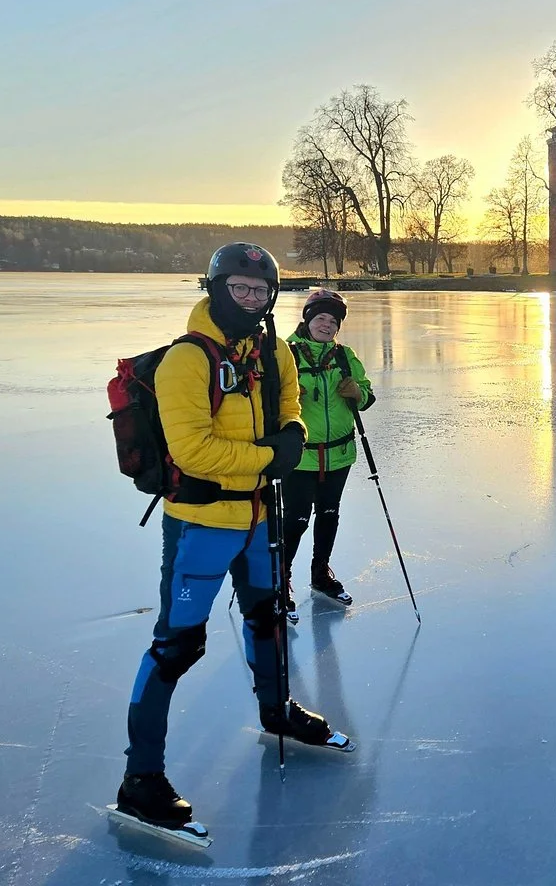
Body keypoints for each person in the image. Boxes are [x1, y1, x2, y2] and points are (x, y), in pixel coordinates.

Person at [116, 243, 347, 834]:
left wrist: (292, 432)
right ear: (216, 289)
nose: (249, 299)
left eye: (259, 290)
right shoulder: (186, 361)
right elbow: (191, 450)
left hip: (259, 519)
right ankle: (140, 779)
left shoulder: (274, 352)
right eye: (239, 288)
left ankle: (278, 712)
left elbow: (290, 405)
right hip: (201, 525)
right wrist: (274, 456)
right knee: (176, 646)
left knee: (267, 616)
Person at [282, 288, 375, 622]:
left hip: (339, 453)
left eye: (332, 321)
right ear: (308, 320)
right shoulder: (286, 355)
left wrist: (357, 392)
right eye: (320, 318)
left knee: (329, 513)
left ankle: (320, 574)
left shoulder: (344, 356)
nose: (326, 325)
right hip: (299, 455)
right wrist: (287, 395)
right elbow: (262, 400)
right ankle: (282, 578)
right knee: (295, 518)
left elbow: (366, 395)